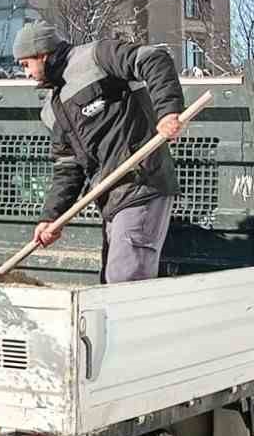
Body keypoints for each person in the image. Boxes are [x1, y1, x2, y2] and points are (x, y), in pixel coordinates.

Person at [16, 20, 185, 283]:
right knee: (109, 283)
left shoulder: (97, 58)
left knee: (125, 282)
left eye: (26, 64)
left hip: (141, 182)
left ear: (42, 53)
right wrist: (51, 218)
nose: (26, 73)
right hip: (110, 199)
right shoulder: (51, 109)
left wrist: (167, 112)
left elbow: (153, 59)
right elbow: (68, 169)